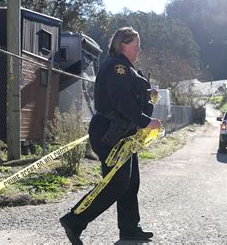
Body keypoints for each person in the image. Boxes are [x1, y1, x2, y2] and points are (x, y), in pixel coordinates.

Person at [60, 27, 161, 244]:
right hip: (110, 134)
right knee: (116, 183)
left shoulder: (126, 68)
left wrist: (148, 96)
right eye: (136, 45)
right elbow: (120, 102)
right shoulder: (117, 67)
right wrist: (146, 121)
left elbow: (129, 97)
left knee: (131, 181)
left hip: (123, 135)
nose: (139, 50)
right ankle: (74, 220)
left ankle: (129, 229)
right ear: (122, 45)